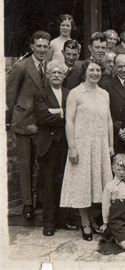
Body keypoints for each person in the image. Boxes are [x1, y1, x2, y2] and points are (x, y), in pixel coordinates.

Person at [60, 59, 114, 241]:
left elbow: (109, 121)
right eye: (91, 70)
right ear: (85, 72)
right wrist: (72, 146)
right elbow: (69, 121)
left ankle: (92, 220)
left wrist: (111, 145)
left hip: (100, 145)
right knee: (83, 185)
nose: (95, 73)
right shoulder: (76, 93)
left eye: (98, 70)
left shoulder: (104, 94)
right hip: (82, 145)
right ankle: (84, 223)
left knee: (95, 184)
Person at [7, 31, 50, 220]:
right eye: (38, 46)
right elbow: (10, 97)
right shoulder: (22, 67)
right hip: (25, 123)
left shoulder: (50, 67)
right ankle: (27, 204)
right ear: (32, 47)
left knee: (43, 164)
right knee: (26, 166)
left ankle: (40, 199)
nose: (41, 50)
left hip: (42, 125)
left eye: (45, 47)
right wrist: (15, 121)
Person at [33, 60, 77, 235]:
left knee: (64, 182)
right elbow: (43, 117)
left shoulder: (70, 93)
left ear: (64, 75)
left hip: (66, 144)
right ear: (48, 75)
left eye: (60, 72)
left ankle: (63, 220)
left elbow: (75, 116)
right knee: (48, 184)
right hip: (48, 145)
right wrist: (63, 114)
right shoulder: (39, 94)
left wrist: (56, 111)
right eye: (53, 73)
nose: (57, 75)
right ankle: (49, 223)